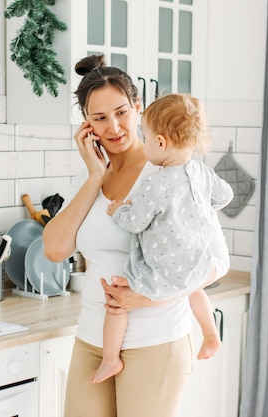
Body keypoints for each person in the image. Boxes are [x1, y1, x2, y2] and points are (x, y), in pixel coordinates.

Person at [43, 54, 231, 417]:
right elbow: (55, 249)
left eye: (121, 112)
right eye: (99, 118)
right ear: (87, 126)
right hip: (92, 341)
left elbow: (218, 261)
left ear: (138, 108)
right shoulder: (89, 178)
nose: (113, 126)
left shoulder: (174, 171)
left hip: (156, 341)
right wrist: (95, 176)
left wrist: (152, 298)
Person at [92, 93, 234, 384]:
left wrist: (117, 210)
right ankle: (210, 335)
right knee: (195, 290)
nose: (143, 144)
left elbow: (135, 223)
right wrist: (202, 208)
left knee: (117, 300)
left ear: (160, 143)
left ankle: (109, 359)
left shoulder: (155, 182)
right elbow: (227, 196)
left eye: (145, 137)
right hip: (195, 263)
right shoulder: (203, 174)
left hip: (160, 271)